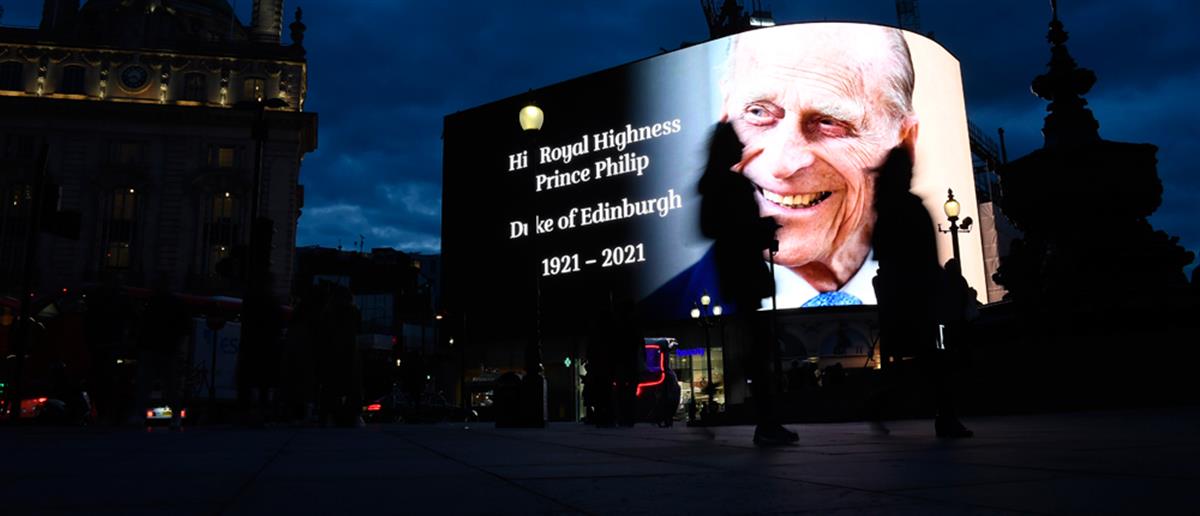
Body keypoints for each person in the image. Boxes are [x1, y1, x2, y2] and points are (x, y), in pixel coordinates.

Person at [642, 24, 919, 317]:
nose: (781, 165)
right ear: (726, 113)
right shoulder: (657, 314)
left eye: (830, 122)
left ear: (904, 144)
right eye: (758, 112)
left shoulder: (935, 295)